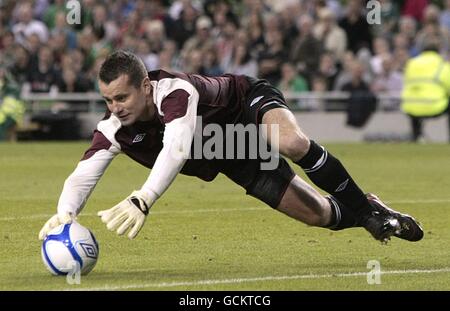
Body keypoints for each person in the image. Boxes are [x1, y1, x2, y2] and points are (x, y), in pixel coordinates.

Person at [38, 51, 423, 243]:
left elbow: (176, 147)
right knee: (319, 216)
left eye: (121, 97)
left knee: (289, 141)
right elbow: (84, 172)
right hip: (232, 153)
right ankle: (371, 210)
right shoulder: (114, 128)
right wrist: (65, 213)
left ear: (144, 87)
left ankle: (364, 210)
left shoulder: (175, 94)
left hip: (247, 105)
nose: (115, 108)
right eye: (108, 100)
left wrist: (143, 198)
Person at [401, 36, 450, 142]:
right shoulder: (442, 64)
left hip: (411, 106)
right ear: (438, 51)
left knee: (413, 105)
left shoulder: (411, 63)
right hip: (434, 106)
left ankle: (416, 137)